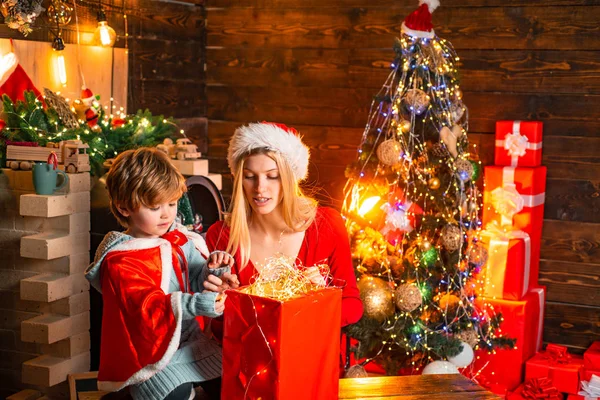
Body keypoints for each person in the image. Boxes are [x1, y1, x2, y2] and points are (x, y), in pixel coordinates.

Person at [85, 148, 238, 400]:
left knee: (234, 377)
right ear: (124, 208)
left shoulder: (181, 240)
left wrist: (214, 271)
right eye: (155, 206)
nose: (167, 214)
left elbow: (197, 282)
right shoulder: (121, 260)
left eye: (172, 202)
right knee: (170, 392)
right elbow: (146, 308)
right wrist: (197, 303)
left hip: (190, 342)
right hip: (152, 356)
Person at [205, 122, 364, 337]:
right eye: (250, 176)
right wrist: (217, 302)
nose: (260, 188)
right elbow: (215, 327)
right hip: (248, 364)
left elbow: (353, 306)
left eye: (273, 176)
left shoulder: (326, 225)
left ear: (289, 178)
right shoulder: (222, 235)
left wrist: (320, 300)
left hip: (310, 357)